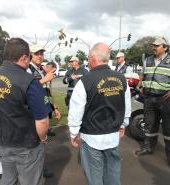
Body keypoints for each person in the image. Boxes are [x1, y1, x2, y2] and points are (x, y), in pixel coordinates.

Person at [0, 38, 51, 185]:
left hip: (1, 142)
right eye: (29, 57)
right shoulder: (30, 82)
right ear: (24, 57)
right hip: (26, 146)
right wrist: (43, 139)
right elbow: (42, 120)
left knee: (8, 178)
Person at [68, 43, 131, 185]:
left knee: (94, 176)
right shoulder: (121, 79)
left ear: (92, 58)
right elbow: (126, 106)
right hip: (113, 135)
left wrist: (73, 133)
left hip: (91, 137)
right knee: (113, 173)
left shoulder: (85, 81)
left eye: (89, 57)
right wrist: (123, 124)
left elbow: (76, 111)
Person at [135, 36, 170, 169]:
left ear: (165, 47)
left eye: (157, 46)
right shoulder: (148, 60)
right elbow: (144, 74)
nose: (153, 47)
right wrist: (141, 83)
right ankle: (148, 147)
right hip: (149, 98)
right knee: (149, 125)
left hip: (166, 99)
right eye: (153, 45)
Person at [28, 44, 60, 178]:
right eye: (37, 53)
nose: (40, 56)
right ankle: (34, 171)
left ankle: (39, 168)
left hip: (42, 108)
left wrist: (54, 108)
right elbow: (27, 88)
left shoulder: (40, 69)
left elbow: (46, 92)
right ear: (30, 55)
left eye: (42, 53)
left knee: (40, 144)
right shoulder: (27, 70)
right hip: (32, 112)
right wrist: (44, 79)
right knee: (34, 144)